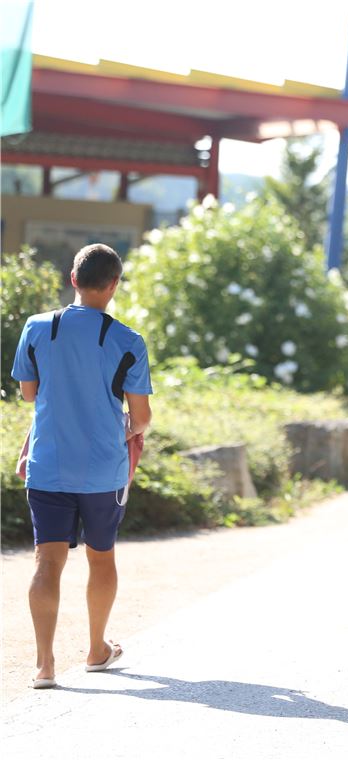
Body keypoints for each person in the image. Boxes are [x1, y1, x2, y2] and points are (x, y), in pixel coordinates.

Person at [10, 244, 153, 689]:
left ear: (73, 278)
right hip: (102, 471)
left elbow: (29, 395)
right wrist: (130, 427)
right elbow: (142, 416)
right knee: (101, 557)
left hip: (49, 464)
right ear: (113, 285)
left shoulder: (36, 327)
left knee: (46, 562)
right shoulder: (129, 341)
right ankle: (96, 649)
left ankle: (44, 666)